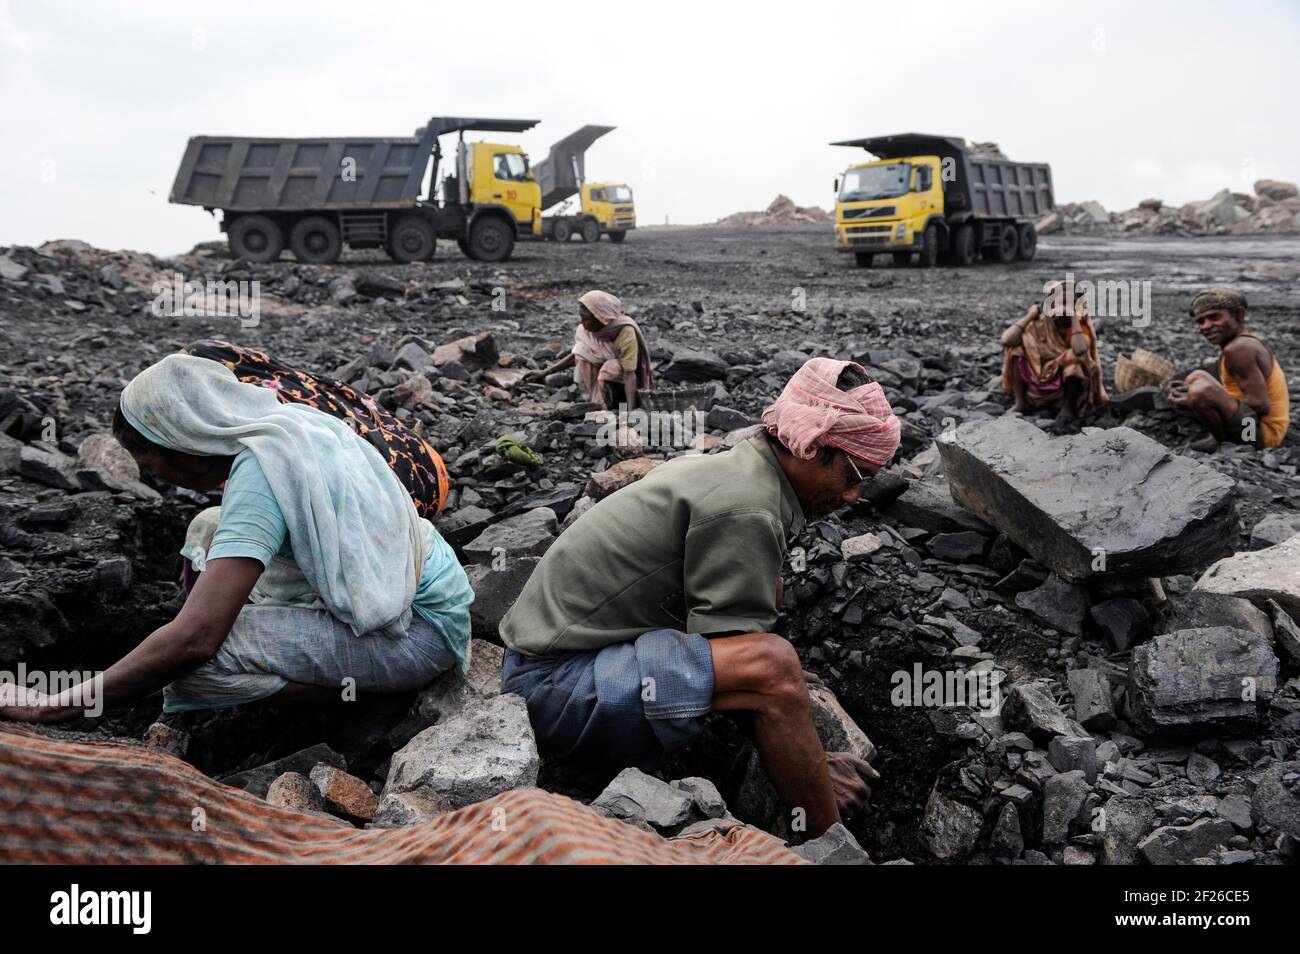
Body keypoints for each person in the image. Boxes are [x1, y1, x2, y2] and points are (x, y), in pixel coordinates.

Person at [499, 357, 898, 838]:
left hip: (564, 664)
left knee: (766, 623)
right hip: (551, 690)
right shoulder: (748, 506)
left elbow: (740, 626)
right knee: (772, 667)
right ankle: (829, 840)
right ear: (811, 446)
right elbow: (755, 666)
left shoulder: (745, 469)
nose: (855, 496)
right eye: (854, 475)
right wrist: (813, 764)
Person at [0, 353, 473, 723]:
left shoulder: (261, 471)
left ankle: (360, 700)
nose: (158, 477)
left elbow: (198, 641)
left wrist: (51, 705)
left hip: (417, 635)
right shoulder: (289, 424)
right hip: (427, 584)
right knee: (209, 525)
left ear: (181, 441)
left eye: (150, 464)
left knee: (191, 666)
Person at [1168, 288, 1290, 452]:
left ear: (1238, 315)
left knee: (1200, 392)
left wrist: (1192, 400)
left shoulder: (1239, 348)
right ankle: (1217, 437)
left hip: (1257, 435)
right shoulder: (1241, 343)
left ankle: (1224, 444)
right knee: (1196, 376)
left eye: (1214, 317)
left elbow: (1261, 405)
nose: (1206, 326)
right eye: (1201, 321)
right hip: (1252, 423)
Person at [524, 290, 654, 411]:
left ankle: (614, 405)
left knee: (610, 368)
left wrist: (631, 411)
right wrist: (545, 372)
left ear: (601, 317)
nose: (582, 323)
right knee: (583, 358)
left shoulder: (624, 331)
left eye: (586, 319)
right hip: (600, 380)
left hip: (624, 384)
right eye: (581, 318)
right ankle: (595, 399)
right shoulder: (587, 330)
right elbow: (578, 354)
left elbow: (629, 373)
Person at [1001, 283, 1108, 422]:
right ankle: (1020, 403)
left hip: (1064, 388)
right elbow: (1007, 340)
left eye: (1072, 303)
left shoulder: (1079, 327)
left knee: (1074, 357)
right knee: (1016, 349)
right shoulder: (1040, 323)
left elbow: (1080, 350)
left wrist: (1073, 317)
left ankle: (1067, 408)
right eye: (1063, 302)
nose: (1066, 306)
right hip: (1037, 382)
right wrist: (1031, 315)